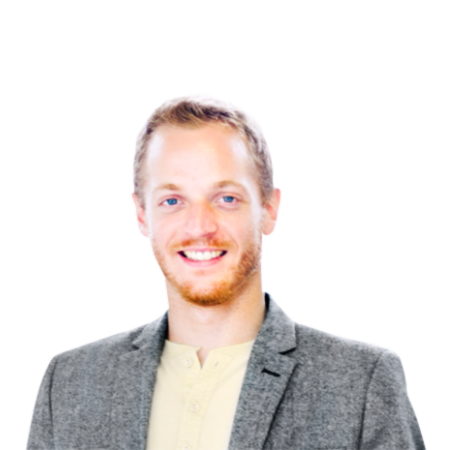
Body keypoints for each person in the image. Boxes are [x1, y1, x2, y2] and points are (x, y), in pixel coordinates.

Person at [25, 94, 426, 450]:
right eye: (172, 200)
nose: (200, 226)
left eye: (227, 198)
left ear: (269, 209)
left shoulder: (362, 381)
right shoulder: (70, 381)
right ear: (142, 215)